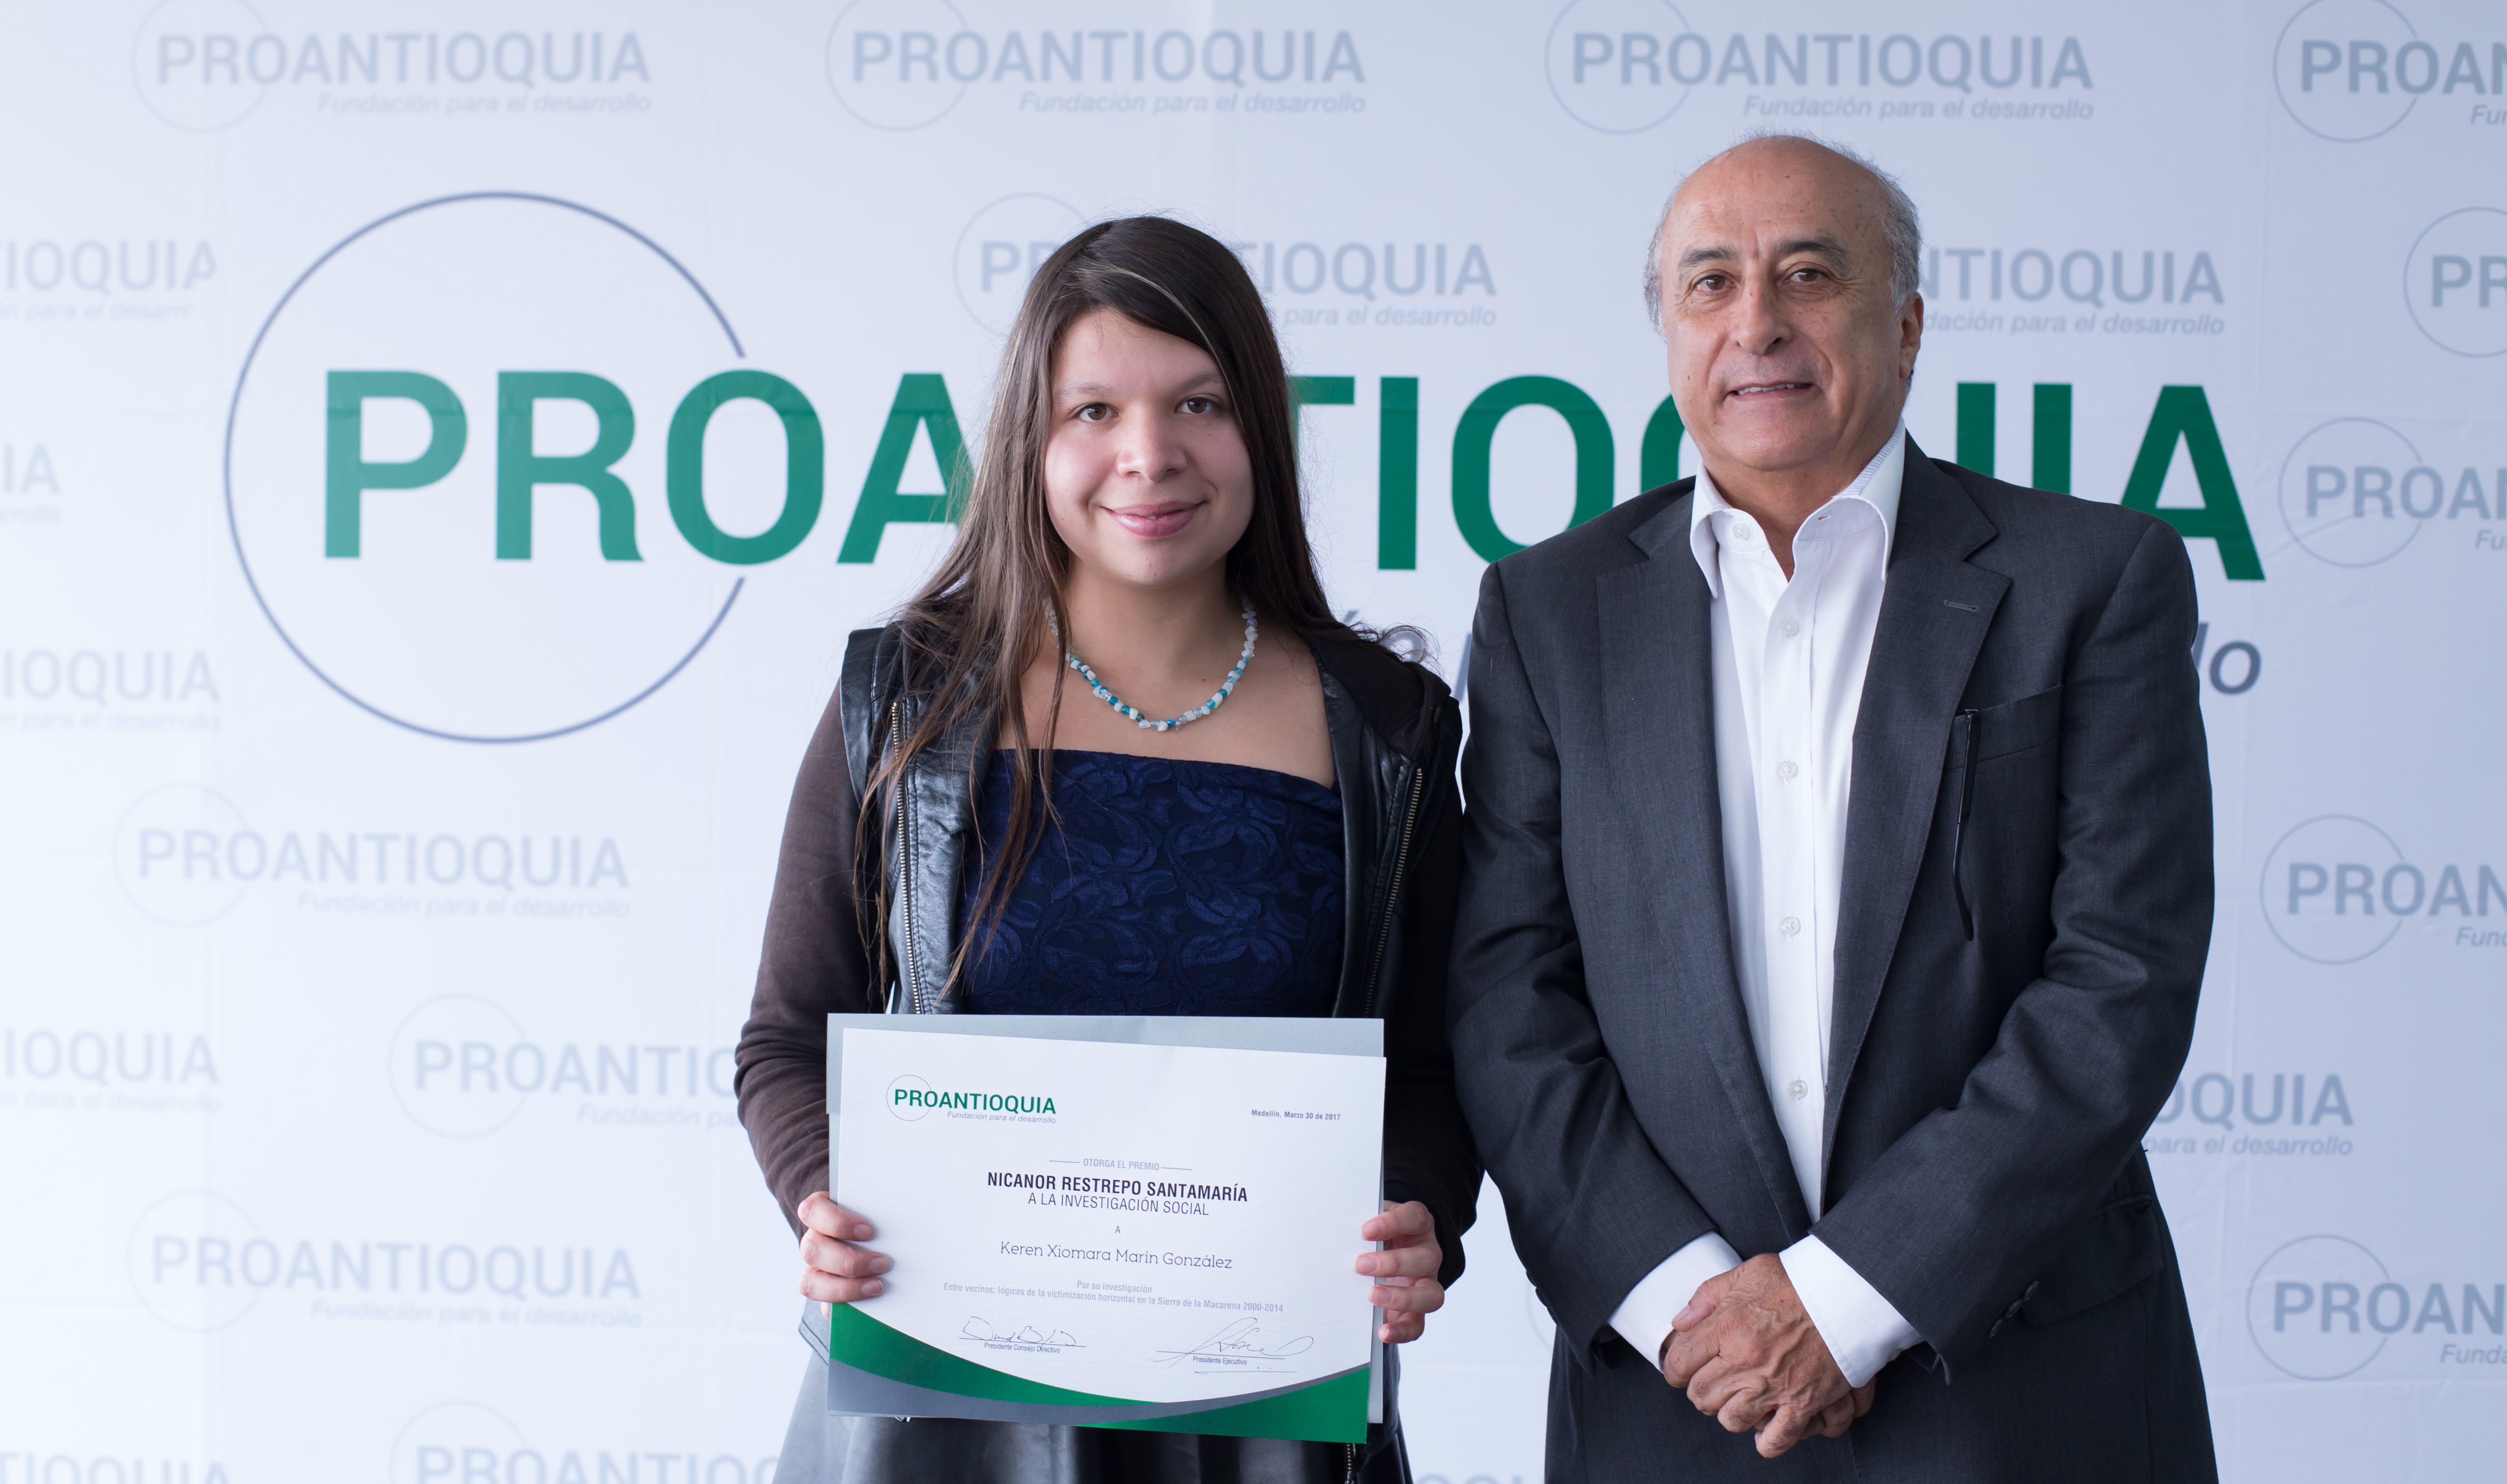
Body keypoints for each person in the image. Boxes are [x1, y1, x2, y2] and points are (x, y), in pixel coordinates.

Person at [1447, 133, 2217, 1479]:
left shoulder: (2093, 580)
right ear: (1669, 331)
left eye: (1808, 275)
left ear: (1905, 326)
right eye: (1710, 284)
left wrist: (1846, 1302)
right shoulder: (1546, 612)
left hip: (2018, 1386)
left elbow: (2120, 978)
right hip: (1677, 1392)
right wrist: (1697, 1310)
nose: (1756, 324)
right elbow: (1508, 996)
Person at [734, 215, 1479, 1484]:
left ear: (1259, 428)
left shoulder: (1388, 726)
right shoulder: (907, 699)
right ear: (1030, 440)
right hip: (940, 1410)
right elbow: (787, 1040)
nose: (1149, 455)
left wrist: (1418, 1217)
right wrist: (822, 1200)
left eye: (1198, 403)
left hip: (1263, 1417)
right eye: (1093, 411)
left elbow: (1432, 1070)